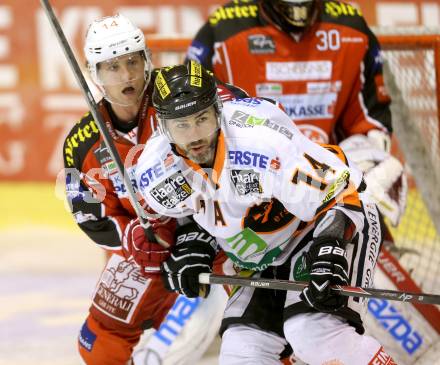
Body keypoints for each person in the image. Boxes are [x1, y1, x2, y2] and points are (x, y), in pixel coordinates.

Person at [136, 61, 397, 364]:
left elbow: (342, 193)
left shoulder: (260, 142)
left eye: (202, 119)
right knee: (241, 353)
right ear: (163, 128)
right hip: (262, 256)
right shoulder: (157, 173)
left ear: (218, 112)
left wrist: (329, 249)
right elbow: (186, 214)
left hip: (326, 222)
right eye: (181, 126)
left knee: (313, 333)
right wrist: (193, 244)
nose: (194, 136)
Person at [63, 14, 239, 365]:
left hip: (224, 238)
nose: (127, 75)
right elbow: (89, 214)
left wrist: (206, 227)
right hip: (150, 253)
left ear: (147, 59)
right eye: (112, 67)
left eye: (132, 61)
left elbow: (247, 149)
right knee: (97, 343)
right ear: (94, 73)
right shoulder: (81, 143)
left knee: (263, 333)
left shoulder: (185, 94)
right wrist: (131, 237)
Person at [185, 0, 407, 232]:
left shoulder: (350, 26)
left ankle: (356, 237)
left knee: (382, 168)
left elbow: (371, 119)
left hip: (326, 167)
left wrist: (368, 170)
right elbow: (195, 109)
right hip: (253, 168)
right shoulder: (224, 27)